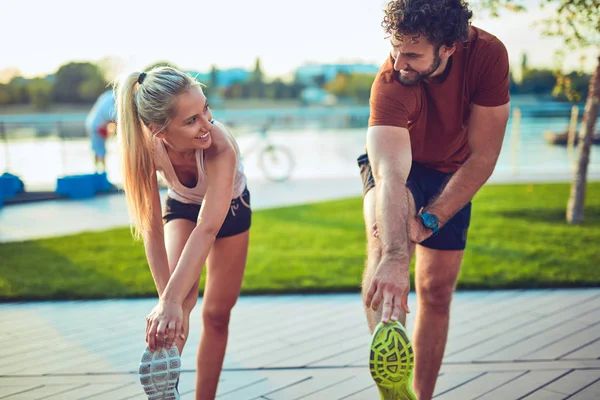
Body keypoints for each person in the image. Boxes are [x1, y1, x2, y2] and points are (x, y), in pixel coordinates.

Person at [358, 0, 510, 399]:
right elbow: (390, 174)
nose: (398, 61)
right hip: (399, 165)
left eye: (412, 54)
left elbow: (484, 157)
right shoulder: (390, 82)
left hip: (454, 169)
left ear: (448, 48)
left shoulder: (488, 56)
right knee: (385, 246)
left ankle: (419, 396)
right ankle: (391, 371)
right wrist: (396, 256)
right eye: (395, 47)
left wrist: (432, 218)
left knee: (436, 291)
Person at [114, 66, 251, 400]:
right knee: (178, 306)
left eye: (205, 109)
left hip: (229, 211)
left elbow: (207, 228)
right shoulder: (144, 148)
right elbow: (150, 227)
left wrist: (171, 299)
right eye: (191, 120)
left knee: (216, 315)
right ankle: (165, 388)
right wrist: (168, 303)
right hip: (183, 207)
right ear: (158, 130)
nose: (206, 124)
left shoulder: (220, 146)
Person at [85, 90, 116, 172]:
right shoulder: (110, 100)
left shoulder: (107, 95)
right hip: (97, 127)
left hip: (93, 125)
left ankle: (98, 173)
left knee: (97, 150)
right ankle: (102, 174)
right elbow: (110, 116)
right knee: (101, 151)